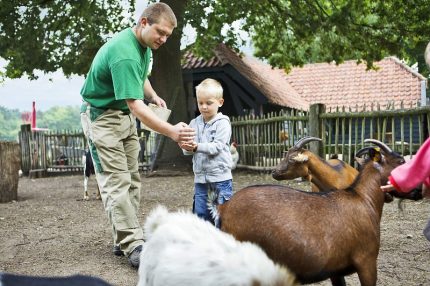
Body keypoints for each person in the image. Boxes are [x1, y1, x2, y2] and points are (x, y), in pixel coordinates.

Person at [80, 3, 195, 268]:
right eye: (160, 32)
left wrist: (153, 94)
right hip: (102, 117)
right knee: (116, 181)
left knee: (132, 179)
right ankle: (133, 244)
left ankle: (123, 237)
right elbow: (135, 105)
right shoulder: (125, 53)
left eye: (168, 35)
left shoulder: (142, 47)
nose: (163, 40)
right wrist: (173, 133)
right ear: (144, 22)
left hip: (122, 116)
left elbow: (139, 77)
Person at [178, 78, 234, 227]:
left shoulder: (223, 123)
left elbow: (217, 147)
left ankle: (222, 247)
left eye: (208, 103)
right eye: (200, 103)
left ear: (220, 102)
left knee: (221, 216)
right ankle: (204, 245)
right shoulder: (194, 123)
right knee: (201, 215)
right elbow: (188, 151)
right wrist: (185, 146)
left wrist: (196, 146)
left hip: (220, 179)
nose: (204, 107)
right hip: (200, 180)